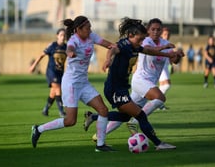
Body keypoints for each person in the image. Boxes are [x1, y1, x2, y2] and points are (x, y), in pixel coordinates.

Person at [84, 17, 182, 150]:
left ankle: (93, 116)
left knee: (125, 116)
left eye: (142, 39)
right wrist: (108, 59)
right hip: (114, 88)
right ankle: (159, 143)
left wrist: (169, 55)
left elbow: (148, 51)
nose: (141, 42)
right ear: (131, 35)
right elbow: (113, 49)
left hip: (122, 87)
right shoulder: (124, 45)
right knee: (140, 115)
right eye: (139, 39)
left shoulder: (135, 46)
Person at [31, 15, 117, 152]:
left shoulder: (92, 36)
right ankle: (38, 129)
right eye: (87, 28)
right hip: (71, 84)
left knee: (103, 110)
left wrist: (111, 54)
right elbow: (69, 48)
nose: (90, 30)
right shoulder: (73, 39)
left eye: (90, 27)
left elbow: (110, 45)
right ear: (78, 29)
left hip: (83, 83)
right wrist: (70, 53)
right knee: (70, 121)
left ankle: (100, 145)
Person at [29, 28, 67, 117]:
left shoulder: (66, 47)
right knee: (58, 89)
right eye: (61, 35)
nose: (63, 37)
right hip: (51, 71)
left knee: (53, 92)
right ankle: (61, 111)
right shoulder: (52, 46)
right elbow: (41, 55)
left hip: (60, 72)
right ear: (57, 36)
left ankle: (45, 109)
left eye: (64, 35)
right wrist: (33, 66)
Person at [158, 26, 173, 110]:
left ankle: (159, 104)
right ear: (161, 34)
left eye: (168, 34)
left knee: (163, 86)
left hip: (166, 66)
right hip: (161, 67)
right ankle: (157, 102)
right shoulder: (160, 43)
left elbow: (171, 54)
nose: (166, 35)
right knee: (167, 85)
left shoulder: (167, 43)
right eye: (165, 34)